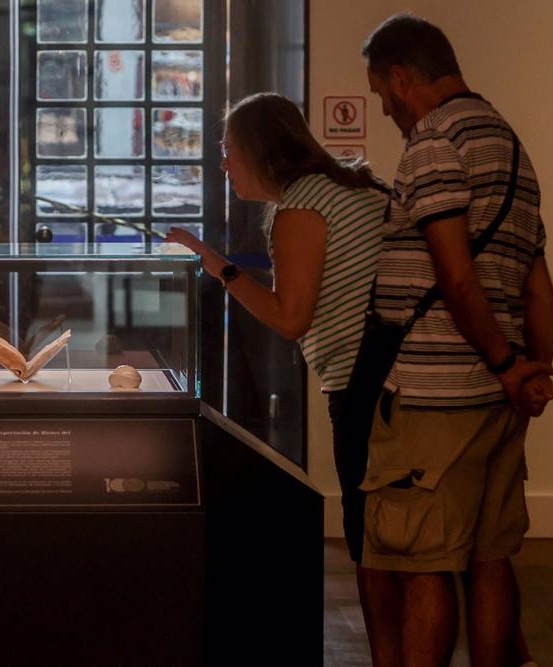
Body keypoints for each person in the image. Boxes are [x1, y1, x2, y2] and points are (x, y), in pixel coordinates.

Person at [165, 92, 397, 653]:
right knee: (409, 540)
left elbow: (291, 318)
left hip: (365, 386)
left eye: (228, 150)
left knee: (371, 541)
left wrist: (220, 269)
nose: (223, 164)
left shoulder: (301, 207)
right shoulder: (349, 186)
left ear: (259, 150)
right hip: (399, 379)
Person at [359, 13, 553, 666]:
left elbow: (455, 273)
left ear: (400, 77)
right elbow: (536, 286)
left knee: (423, 563)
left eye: (381, 94)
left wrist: (505, 364)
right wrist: (532, 370)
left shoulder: (434, 140)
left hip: (434, 397)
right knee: (490, 557)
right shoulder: (510, 145)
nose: (385, 110)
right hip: (499, 399)